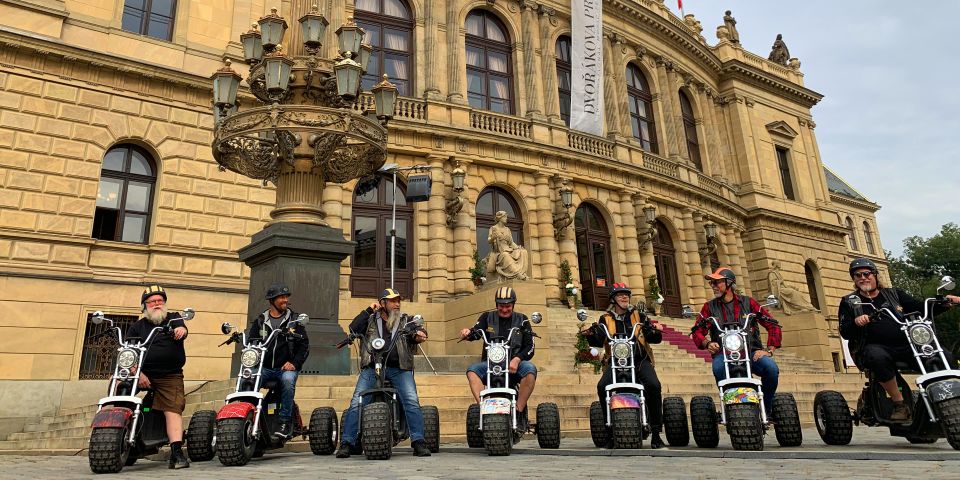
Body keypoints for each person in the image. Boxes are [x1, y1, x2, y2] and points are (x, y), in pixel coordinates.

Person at [839, 258, 960, 421]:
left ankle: (946, 399)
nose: (863, 278)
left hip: (909, 345)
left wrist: (945, 302)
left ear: (875, 275)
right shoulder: (849, 302)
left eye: (867, 273)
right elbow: (845, 331)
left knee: (943, 356)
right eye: (857, 275)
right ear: (854, 279)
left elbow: (919, 307)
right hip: (874, 347)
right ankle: (899, 404)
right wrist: (856, 322)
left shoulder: (894, 294)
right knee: (877, 357)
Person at [337, 288, 431, 458]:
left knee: (411, 400)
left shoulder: (405, 320)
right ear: (382, 303)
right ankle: (346, 442)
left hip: (399, 369)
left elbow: (420, 331)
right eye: (392, 301)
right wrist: (367, 310)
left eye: (398, 300)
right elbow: (353, 328)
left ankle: (418, 441)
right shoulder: (371, 319)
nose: (397, 304)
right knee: (357, 401)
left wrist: (419, 334)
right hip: (373, 368)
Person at [580, 282, 666, 449]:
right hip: (616, 362)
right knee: (602, 386)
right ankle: (609, 431)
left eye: (626, 294)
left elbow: (651, 335)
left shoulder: (639, 315)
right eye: (620, 294)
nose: (625, 297)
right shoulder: (605, 318)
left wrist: (655, 330)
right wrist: (589, 334)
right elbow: (598, 339)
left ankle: (656, 433)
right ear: (613, 299)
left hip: (639, 360)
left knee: (654, 385)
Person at [692, 267, 782, 418]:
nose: (713, 286)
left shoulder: (749, 303)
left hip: (752, 351)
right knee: (718, 367)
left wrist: (769, 350)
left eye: (717, 282)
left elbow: (773, 325)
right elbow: (697, 331)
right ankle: (729, 406)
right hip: (724, 353)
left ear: (729, 283)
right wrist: (707, 343)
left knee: (771, 369)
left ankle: (766, 407)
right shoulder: (709, 307)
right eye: (712, 283)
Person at [126, 285, 190, 469]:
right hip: (141, 373)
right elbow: (128, 352)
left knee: (172, 409)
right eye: (152, 301)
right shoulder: (137, 327)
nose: (157, 304)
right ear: (144, 306)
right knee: (118, 387)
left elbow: (182, 329)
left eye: (160, 300)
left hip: (169, 375)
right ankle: (115, 432)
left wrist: (180, 331)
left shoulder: (173, 318)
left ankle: (176, 453)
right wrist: (136, 372)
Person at [460, 286, 537, 430]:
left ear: (513, 304)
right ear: (496, 305)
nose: (504, 309)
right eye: (501, 306)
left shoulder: (522, 320)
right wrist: (467, 333)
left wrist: (517, 359)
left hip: (515, 365)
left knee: (530, 370)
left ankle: (518, 410)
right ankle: (484, 407)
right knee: (472, 371)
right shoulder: (487, 317)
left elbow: (530, 347)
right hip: (490, 365)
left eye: (508, 306)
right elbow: (476, 332)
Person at [245, 282, 309, 438]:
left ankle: (284, 421)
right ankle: (247, 418)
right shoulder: (260, 320)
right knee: (248, 380)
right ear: (272, 300)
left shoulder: (294, 320)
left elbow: (304, 346)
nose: (285, 300)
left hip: (284, 368)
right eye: (281, 297)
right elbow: (252, 343)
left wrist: (294, 363)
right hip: (264, 368)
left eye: (286, 296)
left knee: (288, 381)